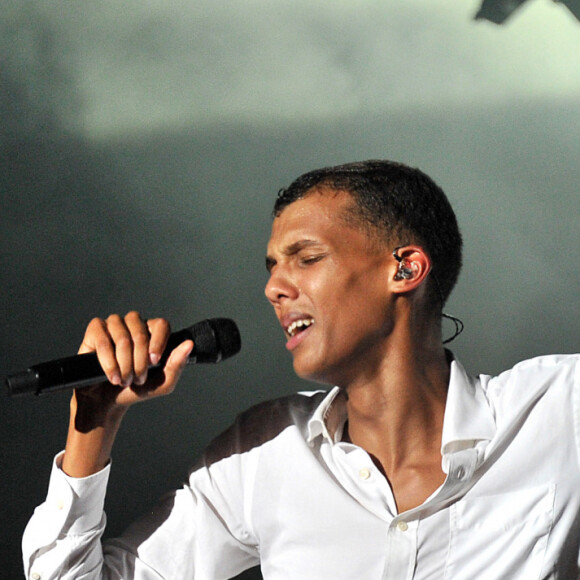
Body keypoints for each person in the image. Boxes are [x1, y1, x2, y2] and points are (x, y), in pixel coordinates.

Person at [23, 160, 580, 579]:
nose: (273, 289)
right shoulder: (264, 453)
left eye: (307, 258)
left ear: (405, 268)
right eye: (271, 268)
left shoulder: (556, 411)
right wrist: (92, 423)